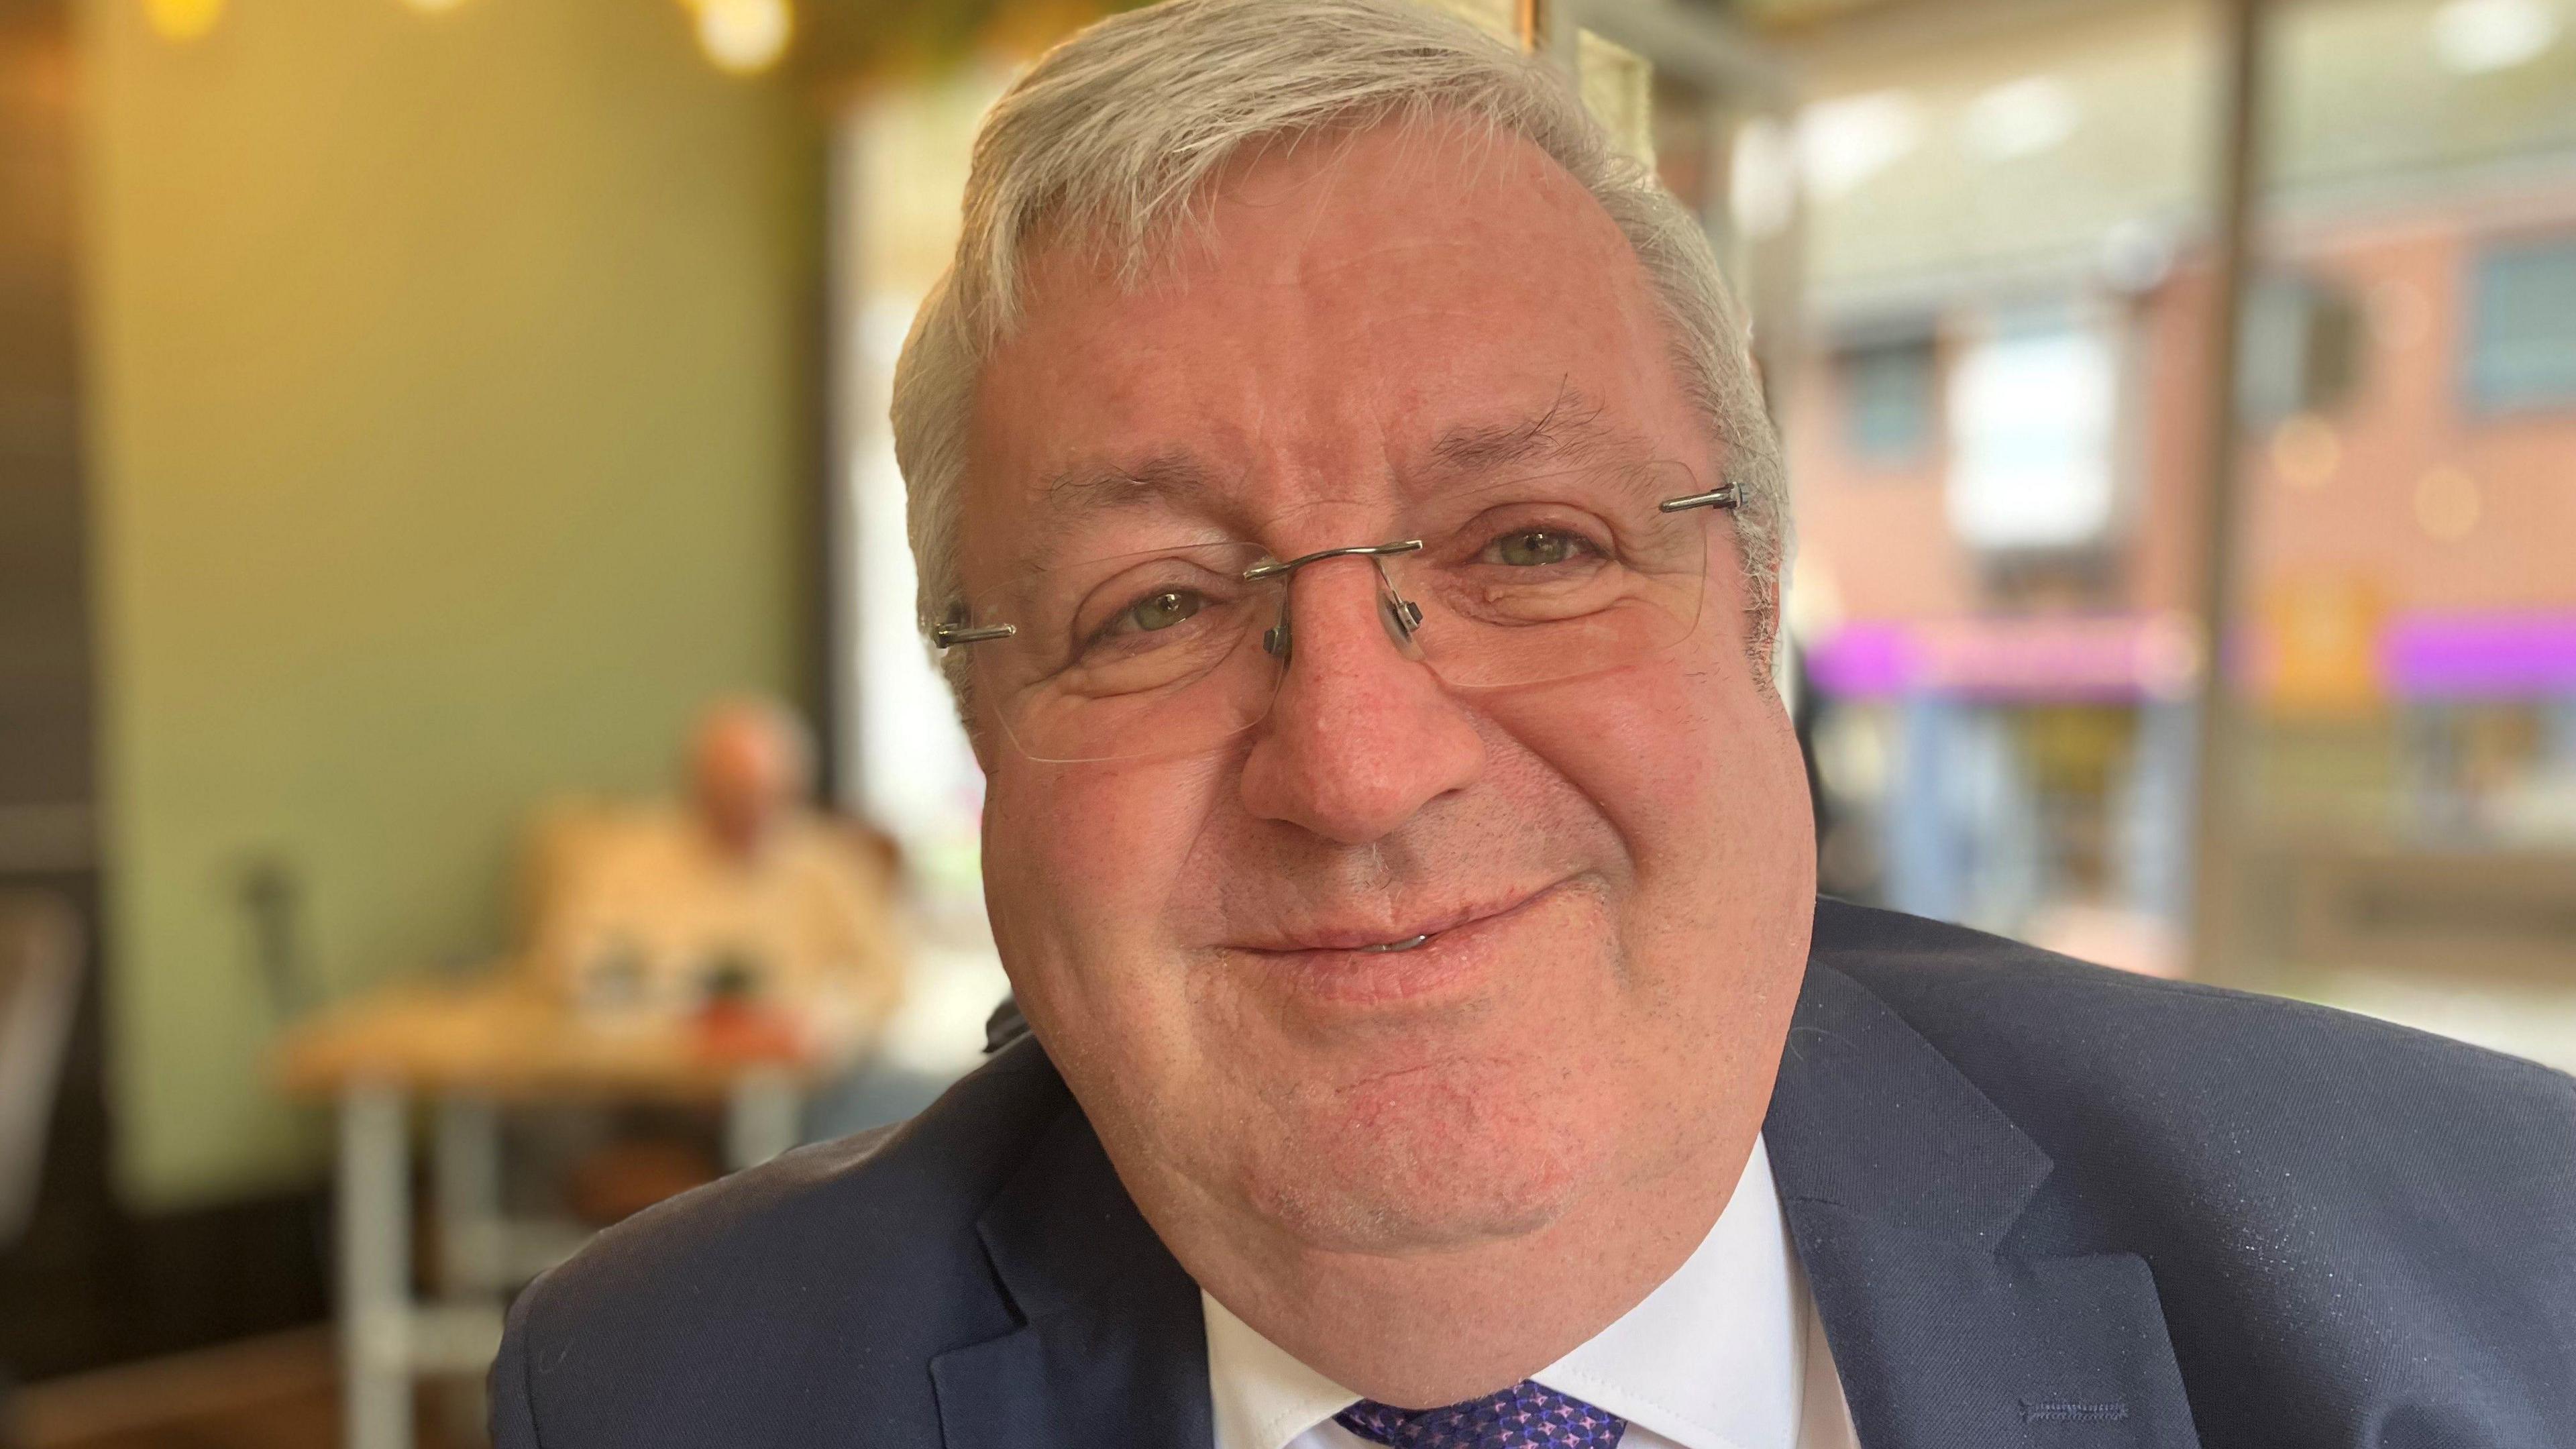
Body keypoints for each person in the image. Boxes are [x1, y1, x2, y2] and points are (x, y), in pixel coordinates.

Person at [488, 2, 2575, 1444]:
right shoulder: (670, 1391)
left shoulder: (2484, 1293)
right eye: (1151, 606)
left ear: (1747, 613)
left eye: (1534, 546)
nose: (1359, 767)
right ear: (982, 729)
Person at [529, 696, 903, 1036]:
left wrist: (822, 1020)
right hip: (652, 1085)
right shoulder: (630, 857)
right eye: (725, 793)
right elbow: (566, 960)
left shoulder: (831, 865)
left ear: (791, 792)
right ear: (694, 787)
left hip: (801, 1087)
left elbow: (888, 980)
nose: (742, 813)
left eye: (757, 796)